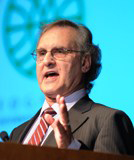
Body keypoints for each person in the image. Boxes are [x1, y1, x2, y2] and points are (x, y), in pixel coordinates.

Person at [9, 19, 134, 155]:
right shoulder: (17, 133)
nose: (47, 61)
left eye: (60, 51)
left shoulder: (108, 121)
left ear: (85, 63)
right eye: (42, 53)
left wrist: (71, 149)